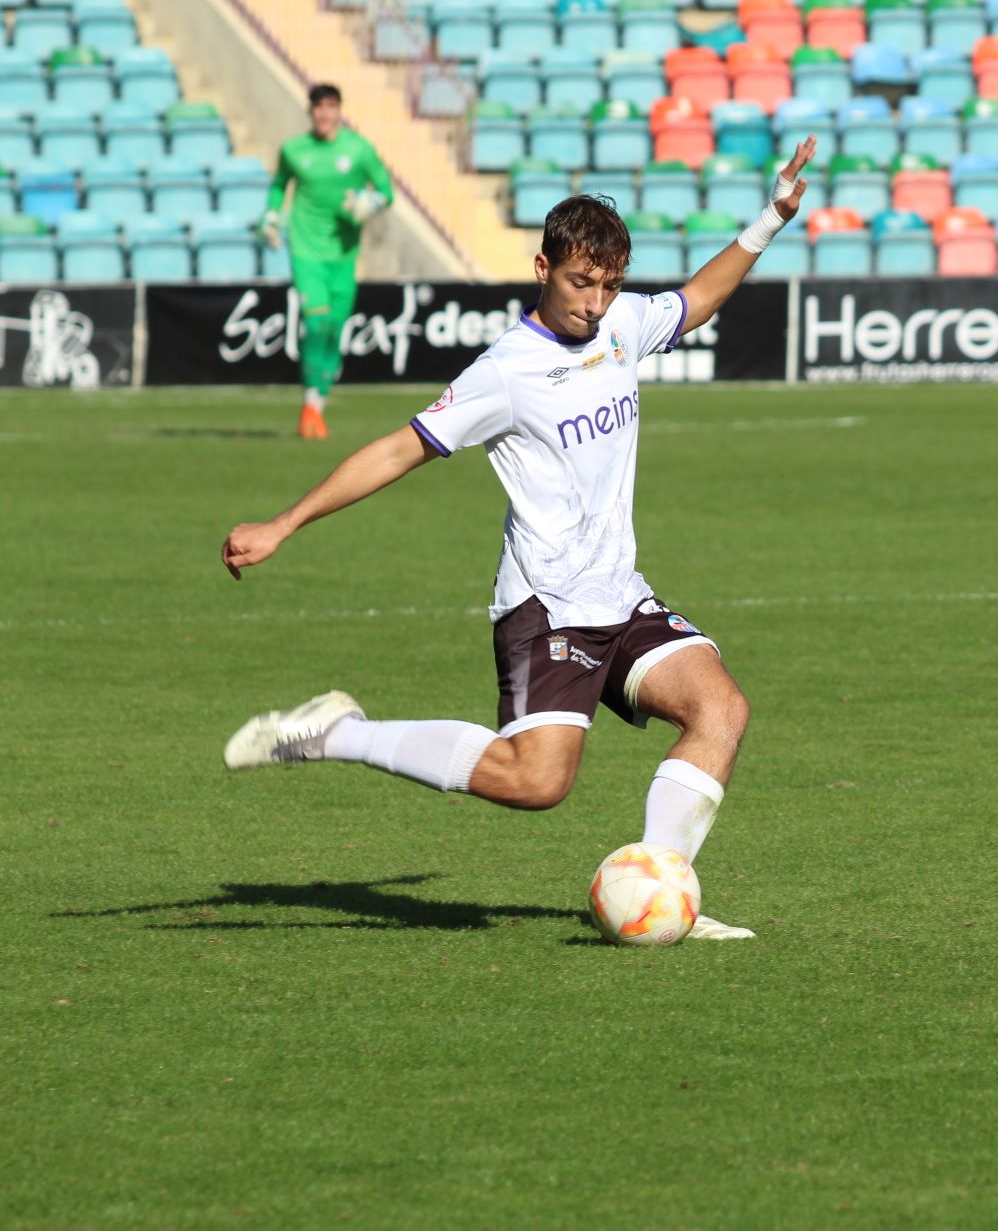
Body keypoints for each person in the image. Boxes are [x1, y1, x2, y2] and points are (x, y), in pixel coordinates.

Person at [220, 139, 819, 941]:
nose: (595, 303)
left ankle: (661, 887)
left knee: (721, 710)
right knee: (536, 783)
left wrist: (770, 218)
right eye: (580, 282)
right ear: (543, 267)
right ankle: (338, 732)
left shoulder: (624, 326)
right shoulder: (506, 370)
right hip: (548, 609)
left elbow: (697, 298)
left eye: (608, 285)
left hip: (619, 592)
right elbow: (401, 448)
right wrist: (284, 523)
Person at [261, 84, 395, 441]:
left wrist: (370, 203)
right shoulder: (294, 150)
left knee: (334, 330)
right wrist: (272, 216)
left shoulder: (358, 149)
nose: (324, 113)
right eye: (319, 107)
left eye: (331, 106)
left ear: (339, 111)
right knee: (317, 324)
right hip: (305, 251)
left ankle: (316, 405)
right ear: (310, 111)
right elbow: (278, 185)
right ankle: (309, 406)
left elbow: (386, 191)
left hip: (344, 255)